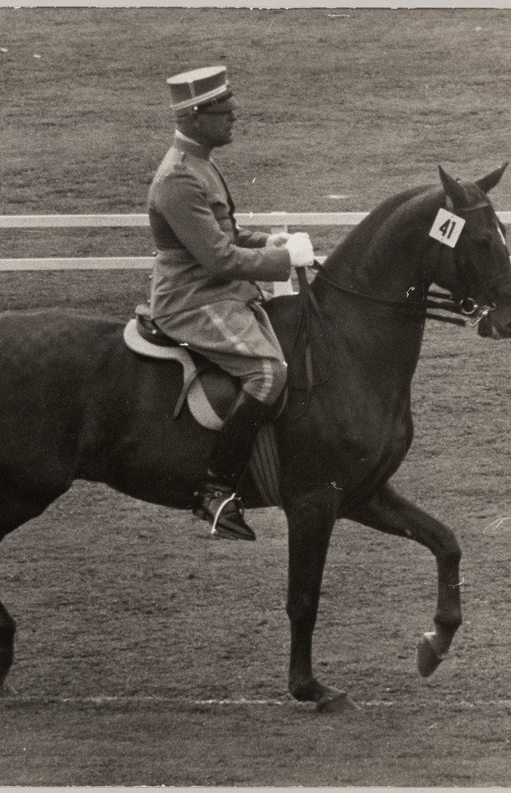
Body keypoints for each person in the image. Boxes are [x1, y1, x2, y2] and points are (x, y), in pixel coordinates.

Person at [147, 65, 314, 541]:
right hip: (191, 299)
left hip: (220, 291)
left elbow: (227, 234)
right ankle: (215, 490)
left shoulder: (201, 163)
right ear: (195, 117)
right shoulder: (178, 178)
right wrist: (282, 260)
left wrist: (271, 240)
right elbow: (218, 258)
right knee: (268, 374)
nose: (233, 118)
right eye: (224, 113)